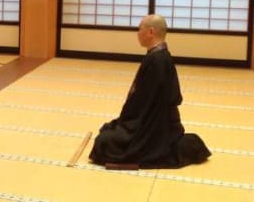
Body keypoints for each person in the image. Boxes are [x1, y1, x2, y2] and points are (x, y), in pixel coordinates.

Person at [89, 14, 211, 169]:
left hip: (154, 126)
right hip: (155, 121)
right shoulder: (159, 56)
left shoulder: (157, 60)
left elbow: (144, 103)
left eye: (140, 29)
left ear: (150, 32)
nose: (137, 33)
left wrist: (128, 123)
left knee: (104, 142)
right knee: (109, 130)